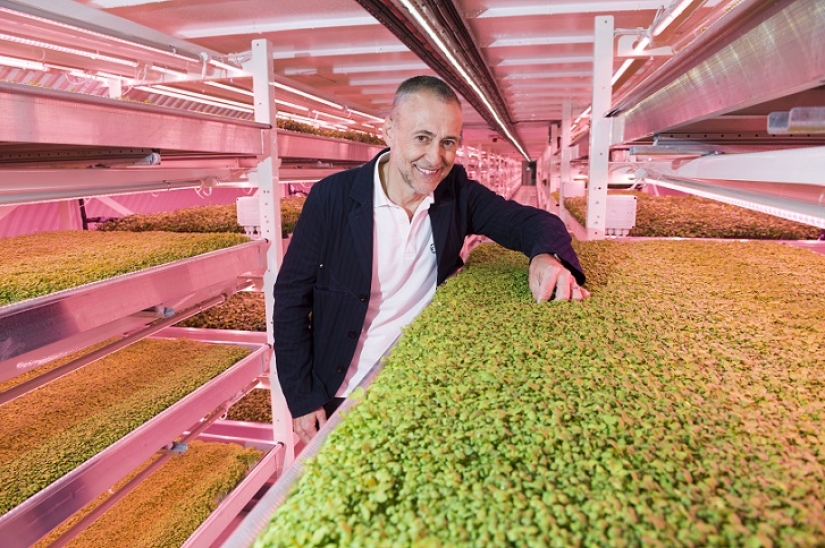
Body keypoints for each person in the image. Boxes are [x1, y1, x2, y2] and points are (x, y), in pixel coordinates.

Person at [273, 75, 589, 444]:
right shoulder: (333, 198)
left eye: (448, 143)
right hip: (343, 387)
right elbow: (291, 298)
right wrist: (302, 398)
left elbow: (533, 221)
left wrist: (545, 256)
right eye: (422, 138)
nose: (435, 158)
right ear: (389, 132)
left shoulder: (457, 193)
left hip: (426, 379)